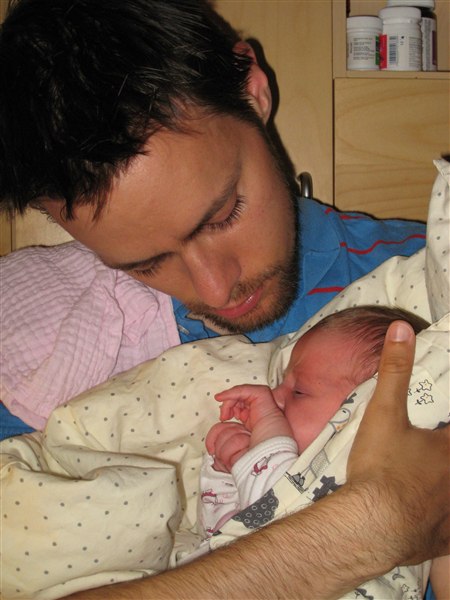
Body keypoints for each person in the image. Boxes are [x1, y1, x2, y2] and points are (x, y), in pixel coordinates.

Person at [0, 1, 448, 598]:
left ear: (253, 90)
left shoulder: (429, 293)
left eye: (222, 215)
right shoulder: (43, 342)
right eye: (144, 264)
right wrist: (364, 531)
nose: (214, 291)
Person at [199, 306, 448, 599]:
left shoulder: (360, 477)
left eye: (299, 392)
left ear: (364, 415)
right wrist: (228, 469)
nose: (273, 398)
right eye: (281, 384)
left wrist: (263, 439)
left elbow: (275, 520)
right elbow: (226, 544)